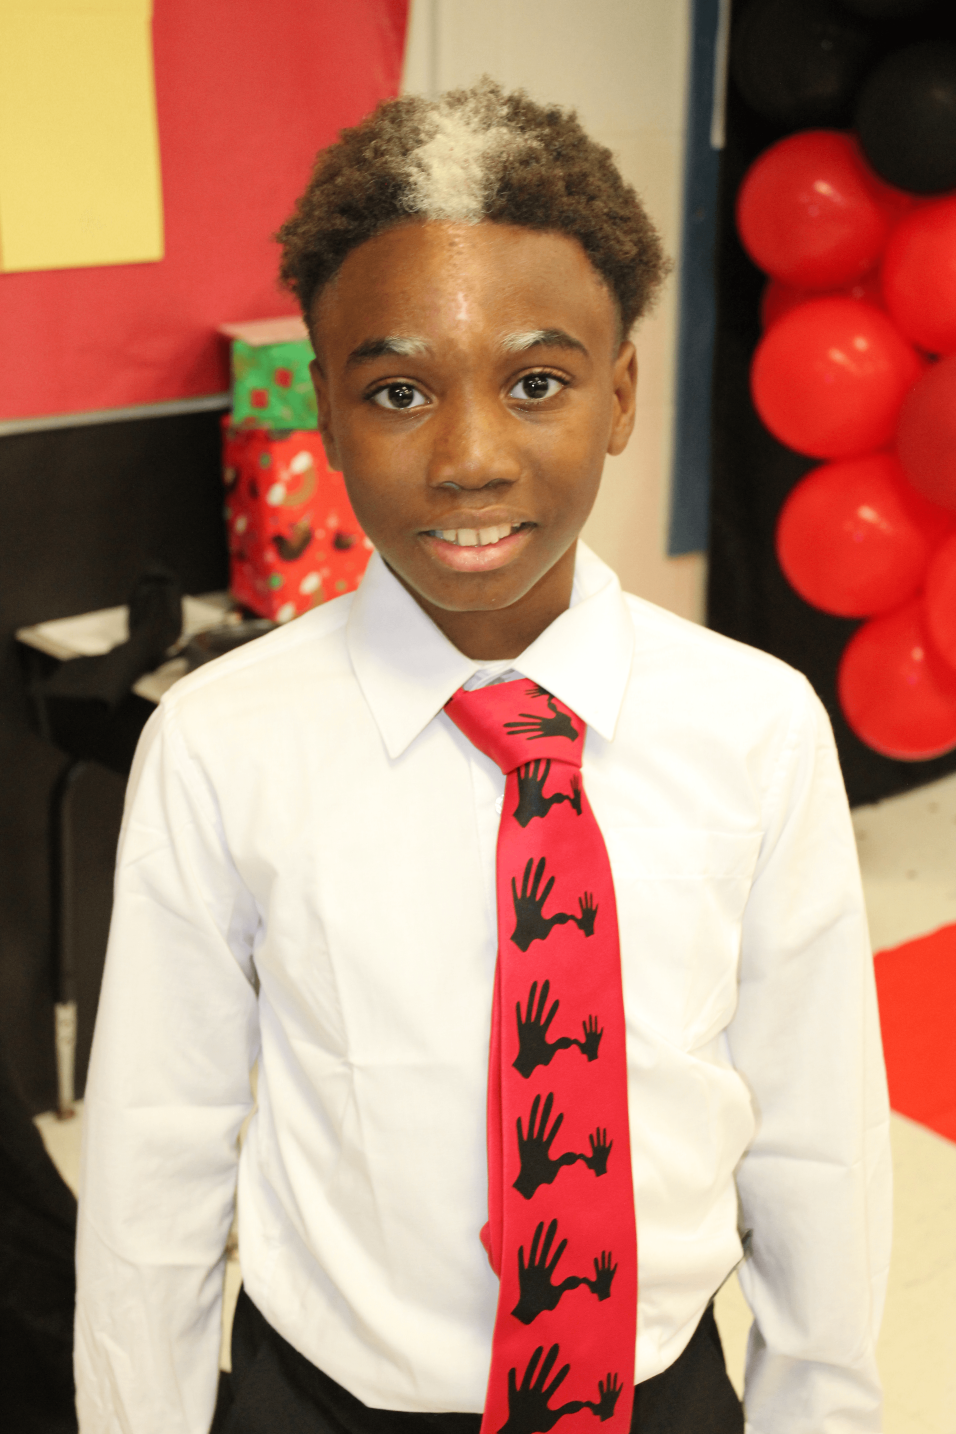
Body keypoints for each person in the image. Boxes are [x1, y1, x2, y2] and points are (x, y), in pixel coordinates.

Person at [74, 79, 891, 1434]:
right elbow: (155, 1163)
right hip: (324, 1401)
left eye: (536, 383)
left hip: (656, 1393)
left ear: (619, 397)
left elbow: (820, 1141)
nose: (469, 457)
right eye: (398, 391)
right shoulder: (220, 744)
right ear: (325, 412)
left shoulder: (758, 727)